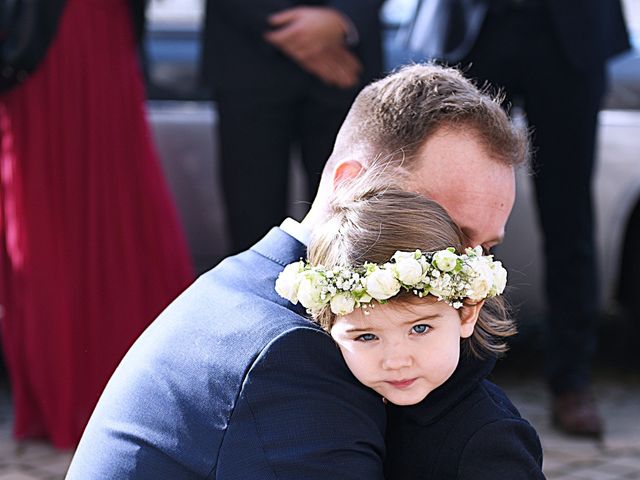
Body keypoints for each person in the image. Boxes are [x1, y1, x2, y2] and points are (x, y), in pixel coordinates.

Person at [66, 63, 527, 478]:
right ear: (350, 183)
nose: (467, 271)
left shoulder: (252, 280)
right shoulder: (294, 351)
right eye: (447, 229)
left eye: (484, 247)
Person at [403, 0, 630, 437]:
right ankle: (455, 375)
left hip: (568, 29)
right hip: (473, 23)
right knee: (457, 212)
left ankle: (572, 379)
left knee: (570, 213)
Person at [0, 0, 193, 449]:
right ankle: (83, 402)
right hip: (45, 54)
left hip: (98, 41)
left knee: (101, 222)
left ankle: (132, 403)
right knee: (53, 231)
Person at [276, 183, 545, 478]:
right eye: (366, 336)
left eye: (419, 328)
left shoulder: (489, 440)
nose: (396, 360)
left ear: (466, 312)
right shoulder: (337, 405)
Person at [201, 0, 384, 253]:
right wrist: (295, 32)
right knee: (251, 222)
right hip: (247, 58)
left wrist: (343, 17)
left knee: (350, 219)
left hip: (348, 61)